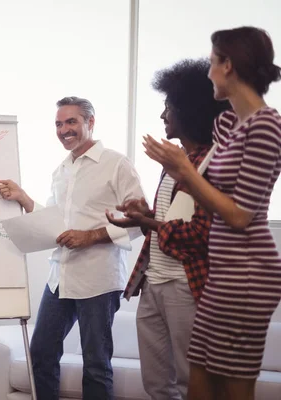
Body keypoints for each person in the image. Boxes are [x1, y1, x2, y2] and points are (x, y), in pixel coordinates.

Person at [143, 26, 281, 400]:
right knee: (200, 384)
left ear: (228, 66)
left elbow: (240, 216)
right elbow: (210, 198)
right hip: (221, 273)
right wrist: (180, 175)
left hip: (247, 276)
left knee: (231, 388)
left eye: (211, 63)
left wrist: (183, 171)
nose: (208, 73)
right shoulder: (227, 125)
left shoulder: (267, 125)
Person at [0, 96, 144, 400]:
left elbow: (141, 220)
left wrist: (91, 236)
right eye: (59, 124)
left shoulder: (116, 164)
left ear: (90, 122)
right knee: (41, 355)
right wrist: (22, 197)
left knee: (96, 365)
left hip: (98, 279)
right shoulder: (61, 170)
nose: (63, 130)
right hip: (60, 277)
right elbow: (55, 223)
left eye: (71, 121)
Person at [107, 59, 231, 400]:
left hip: (188, 289)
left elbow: (202, 236)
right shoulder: (175, 163)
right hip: (154, 284)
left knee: (195, 382)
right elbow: (171, 219)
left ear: (190, 112)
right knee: (156, 383)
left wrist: (149, 223)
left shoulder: (215, 163)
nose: (163, 115)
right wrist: (143, 215)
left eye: (168, 107)